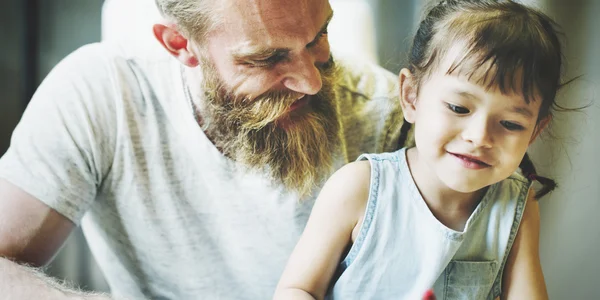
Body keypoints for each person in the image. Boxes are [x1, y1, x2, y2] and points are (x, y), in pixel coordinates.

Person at [0, 0, 406, 299]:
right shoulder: (101, 93)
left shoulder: (386, 114)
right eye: (266, 58)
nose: (311, 81)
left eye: (319, 37)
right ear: (180, 43)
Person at [274, 0, 566, 299]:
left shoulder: (517, 203)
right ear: (411, 97)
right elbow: (298, 289)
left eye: (510, 124)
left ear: (534, 132)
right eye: (458, 107)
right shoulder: (358, 187)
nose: (479, 137)